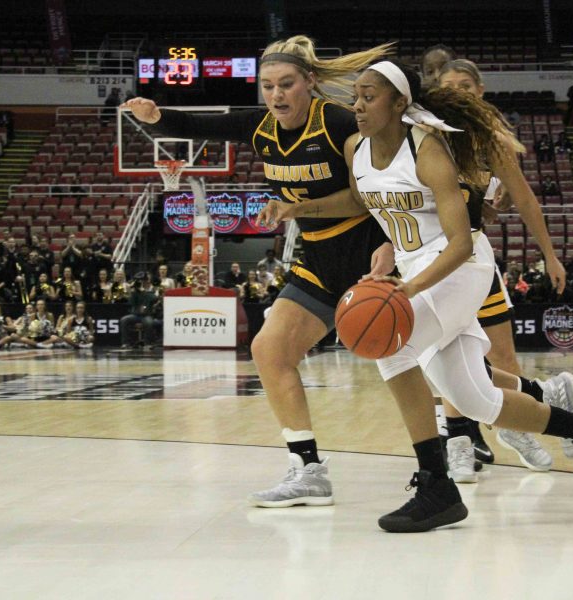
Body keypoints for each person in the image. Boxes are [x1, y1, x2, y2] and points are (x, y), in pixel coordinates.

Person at [275, 60, 573, 531]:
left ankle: (435, 486)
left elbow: (461, 242)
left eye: (369, 96)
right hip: (416, 267)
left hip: (460, 267)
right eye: (355, 96)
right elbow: (365, 201)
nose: (357, 106)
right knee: (476, 399)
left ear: (400, 103)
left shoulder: (427, 148)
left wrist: (410, 286)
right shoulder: (357, 148)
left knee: (389, 348)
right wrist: (300, 208)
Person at [123, 36, 396, 507]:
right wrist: (156, 117)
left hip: (373, 258)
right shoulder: (262, 127)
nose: (276, 95)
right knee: (268, 350)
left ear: (309, 82)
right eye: (268, 86)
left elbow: (367, 196)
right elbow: (201, 124)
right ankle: (308, 468)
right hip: (319, 260)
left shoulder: (338, 123)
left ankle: (503, 413)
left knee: (443, 367)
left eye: (286, 84)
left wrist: (296, 206)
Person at [436, 57, 573, 474]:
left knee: (502, 356)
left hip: (474, 257)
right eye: (451, 85)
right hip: (430, 258)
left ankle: (514, 424)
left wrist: (550, 255)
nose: (460, 91)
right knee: (449, 352)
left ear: (480, 91)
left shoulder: (490, 139)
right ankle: (459, 438)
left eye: (467, 85)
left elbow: (524, 199)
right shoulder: (424, 134)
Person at [119, 271, 160, 348]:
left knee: (149, 322)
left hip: (147, 315)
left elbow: (154, 299)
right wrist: (133, 292)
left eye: (141, 280)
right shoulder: (136, 291)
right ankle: (126, 343)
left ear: (145, 281)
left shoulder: (152, 289)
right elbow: (131, 303)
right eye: (139, 281)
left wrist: (143, 291)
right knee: (124, 319)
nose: (140, 282)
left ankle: (148, 343)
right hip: (136, 315)